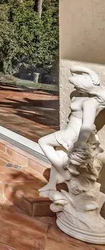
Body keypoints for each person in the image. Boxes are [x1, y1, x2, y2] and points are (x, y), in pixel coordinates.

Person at [38, 65, 105, 197]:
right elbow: (73, 68)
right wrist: (90, 72)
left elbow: (87, 125)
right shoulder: (82, 96)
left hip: (72, 133)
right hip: (69, 129)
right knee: (57, 154)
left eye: (77, 85)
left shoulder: (90, 103)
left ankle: (65, 175)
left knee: (43, 142)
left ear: (86, 87)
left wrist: (79, 144)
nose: (75, 88)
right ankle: (51, 185)